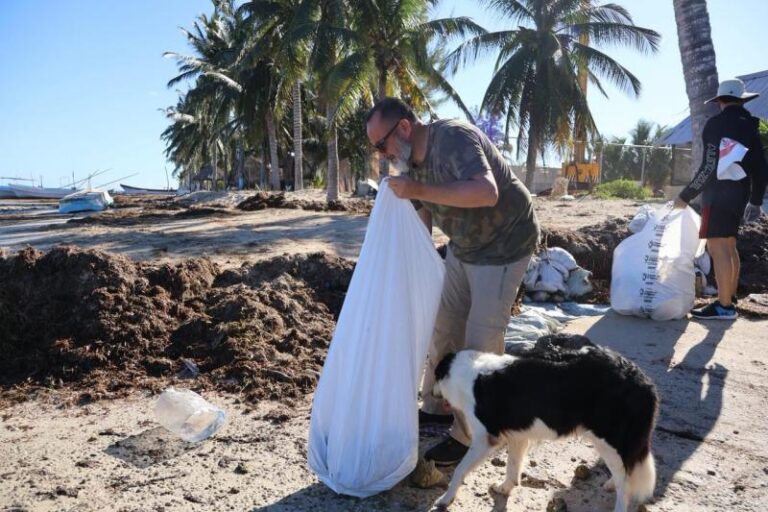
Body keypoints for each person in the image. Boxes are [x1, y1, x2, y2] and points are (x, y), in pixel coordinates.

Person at [365, 98, 540, 464]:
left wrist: (416, 190)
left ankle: (471, 437)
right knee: (442, 326)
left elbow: (485, 191)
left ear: (405, 128)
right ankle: (438, 406)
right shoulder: (412, 159)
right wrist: (421, 259)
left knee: (481, 341)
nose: (382, 155)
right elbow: (426, 209)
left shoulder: (455, 138)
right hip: (464, 246)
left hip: (505, 244)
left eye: (382, 145)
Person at [674, 78, 767, 320]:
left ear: (720, 101)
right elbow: (760, 167)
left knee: (717, 248)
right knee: (729, 245)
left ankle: (724, 306)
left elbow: (709, 165)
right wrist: (755, 200)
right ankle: (730, 296)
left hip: (718, 195)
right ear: (742, 99)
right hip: (740, 194)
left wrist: (686, 195)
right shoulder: (750, 126)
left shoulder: (715, 125)